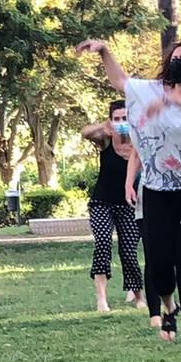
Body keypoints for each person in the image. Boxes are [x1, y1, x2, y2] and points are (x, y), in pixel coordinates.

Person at [79, 38, 181, 339]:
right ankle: (168, 307)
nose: (178, 62)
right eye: (175, 57)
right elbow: (120, 81)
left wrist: (173, 101)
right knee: (158, 259)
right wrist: (104, 51)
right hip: (156, 190)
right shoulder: (152, 90)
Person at [80, 100, 145, 313]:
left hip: (128, 205)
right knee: (103, 244)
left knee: (128, 252)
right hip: (102, 203)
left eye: (125, 118)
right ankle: (101, 300)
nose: (121, 122)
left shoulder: (140, 142)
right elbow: (85, 132)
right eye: (117, 119)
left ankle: (138, 297)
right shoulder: (106, 140)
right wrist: (104, 125)